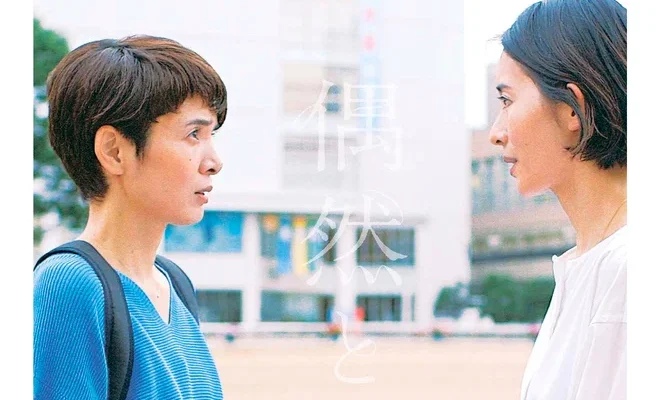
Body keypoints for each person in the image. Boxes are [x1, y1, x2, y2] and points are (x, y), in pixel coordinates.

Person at [34, 35, 227, 399]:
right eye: (193, 134)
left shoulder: (174, 283)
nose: (214, 162)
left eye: (211, 134)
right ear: (114, 151)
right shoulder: (69, 285)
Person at [488, 1, 627, 399]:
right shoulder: (586, 266)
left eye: (507, 101)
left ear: (572, 109)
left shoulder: (625, 274)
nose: (496, 133)